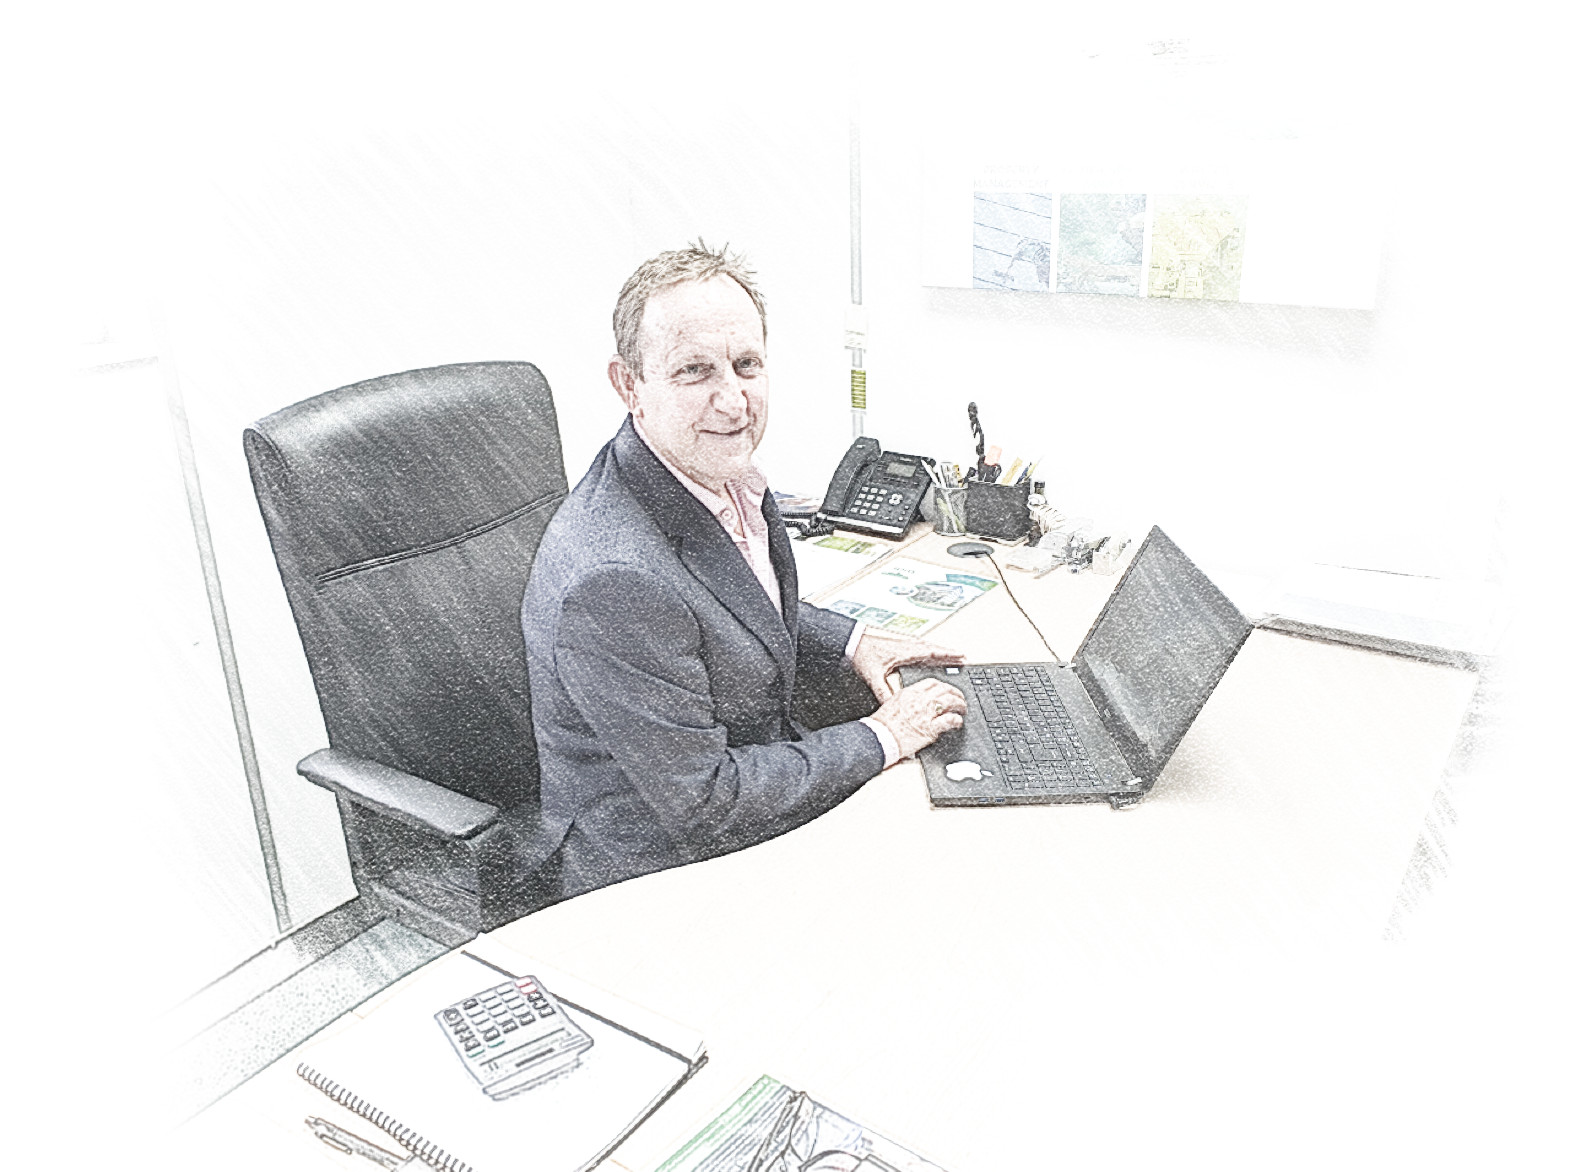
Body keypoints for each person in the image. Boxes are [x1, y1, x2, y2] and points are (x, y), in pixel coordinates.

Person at [523, 243, 968, 897]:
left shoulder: (711, 474)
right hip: (660, 874)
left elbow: (736, 601)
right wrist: (883, 736)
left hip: (739, 790)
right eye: (695, 371)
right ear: (629, 385)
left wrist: (853, 641)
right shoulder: (615, 579)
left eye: (747, 365)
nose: (734, 402)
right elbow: (705, 800)